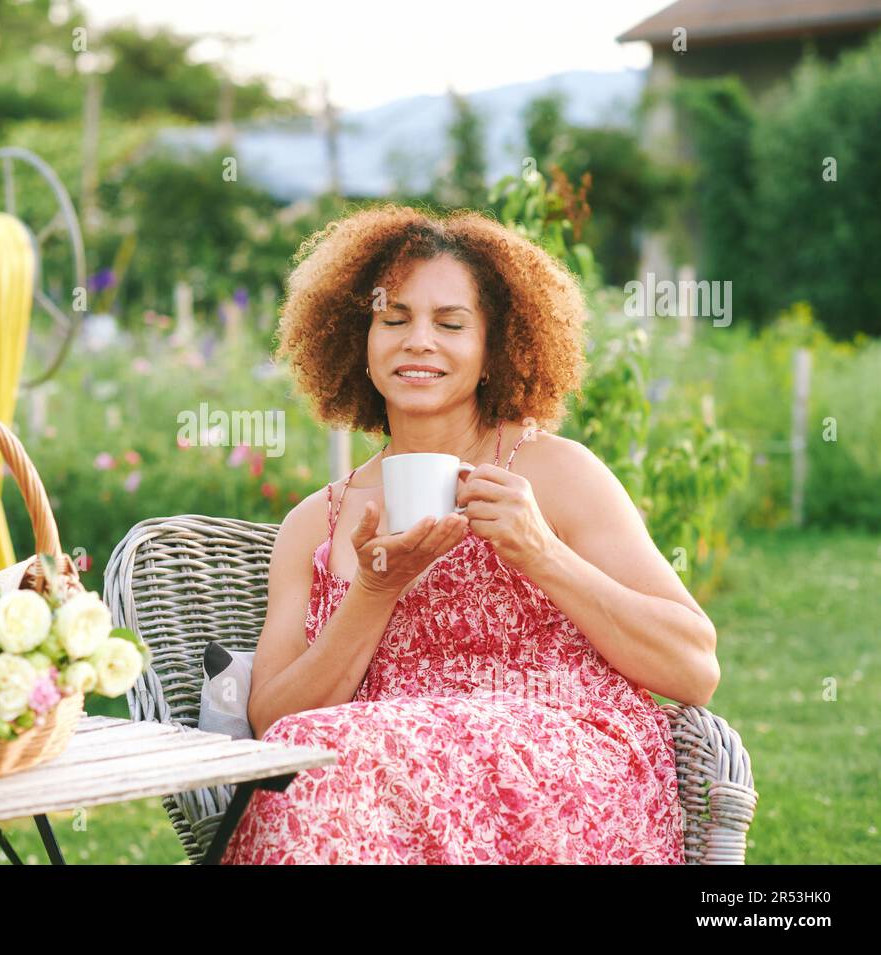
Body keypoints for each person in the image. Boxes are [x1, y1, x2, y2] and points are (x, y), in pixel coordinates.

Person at [220, 205, 719, 864]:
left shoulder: (554, 473)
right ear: (359, 340)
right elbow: (275, 724)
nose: (418, 341)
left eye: (451, 323)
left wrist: (540, 552)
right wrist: (375, 590)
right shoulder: (319, 522)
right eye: (393, 319)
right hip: (373, 790)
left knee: (334, 764)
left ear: (493, 351)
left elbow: (693, 668)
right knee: (310, 767)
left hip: (564, 779)